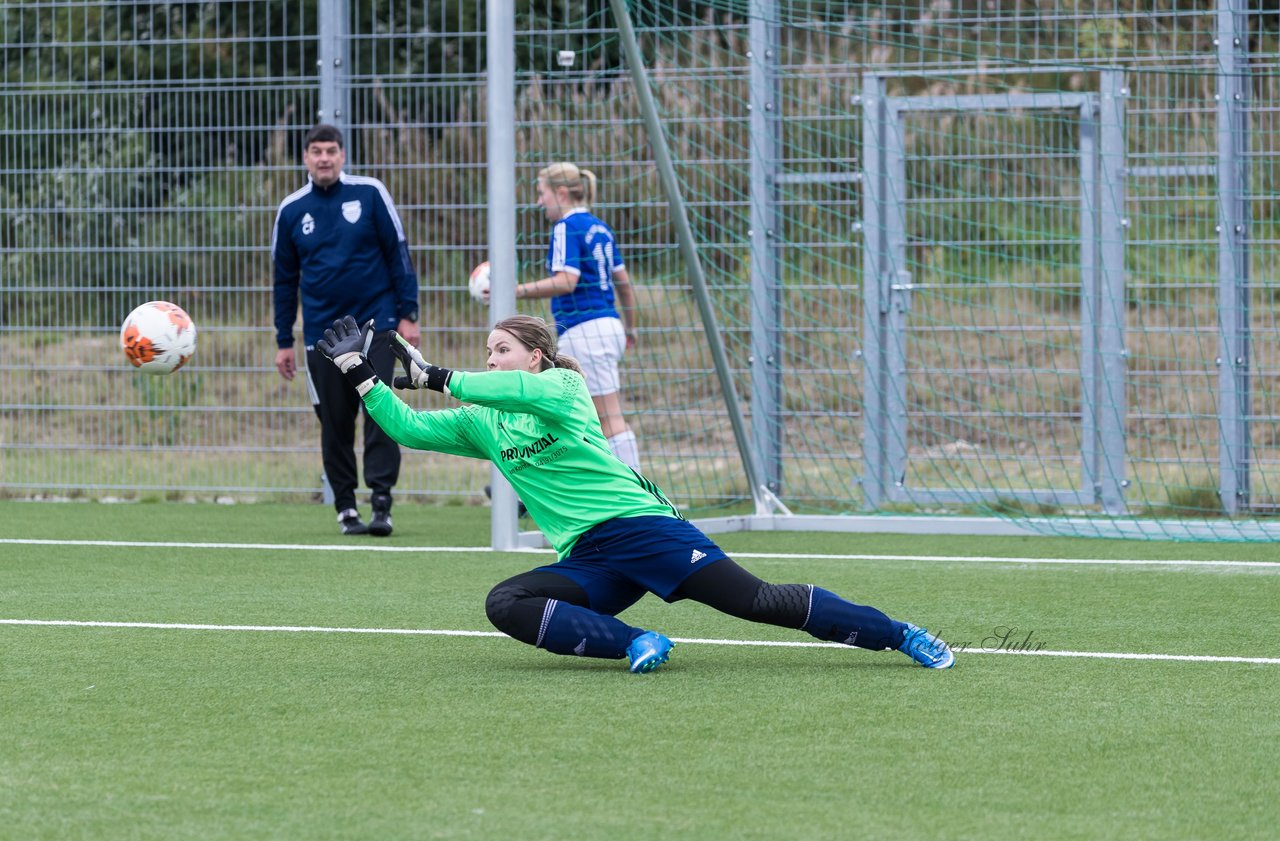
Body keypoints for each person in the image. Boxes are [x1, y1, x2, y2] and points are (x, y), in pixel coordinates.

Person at [314, 312, 956, 673]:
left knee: (759, 601)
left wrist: (440, 374)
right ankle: (635, 643)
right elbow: (408, 428)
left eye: (502, 350)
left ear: (535, 355)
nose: (493, 359)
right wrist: (359, 374)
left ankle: (899, 634)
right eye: (487, 351)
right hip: (589, 557)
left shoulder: (561, 389)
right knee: (505, 601)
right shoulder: (482, 419)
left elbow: (513, 391)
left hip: (640, 526)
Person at [272, 123, 421, 536]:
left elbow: (399, 255)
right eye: (316, 151)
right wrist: (284, 339)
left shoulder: (370, 193)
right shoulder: (291, 210)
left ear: (342, 155)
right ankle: (345, 507)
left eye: (331, 151)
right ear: (305, 158)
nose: (324, 158)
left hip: (376, 324)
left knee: (381, 413)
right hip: (323, 335)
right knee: (334, 421)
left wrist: (408, 315)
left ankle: (381, 503)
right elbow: (284, 280)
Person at [515, 162, 641, 470]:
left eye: (541, 193)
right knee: (561, 410)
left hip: (585, 330)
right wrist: (630, 327)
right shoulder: (599, 226)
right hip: (607, 324)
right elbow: (622, 281)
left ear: (560, 193)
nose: (539, 201)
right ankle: (529, 489)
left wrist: (516, 289)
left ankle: (641, 497)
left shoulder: (565, 228)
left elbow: (566, 280)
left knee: (606, 417)